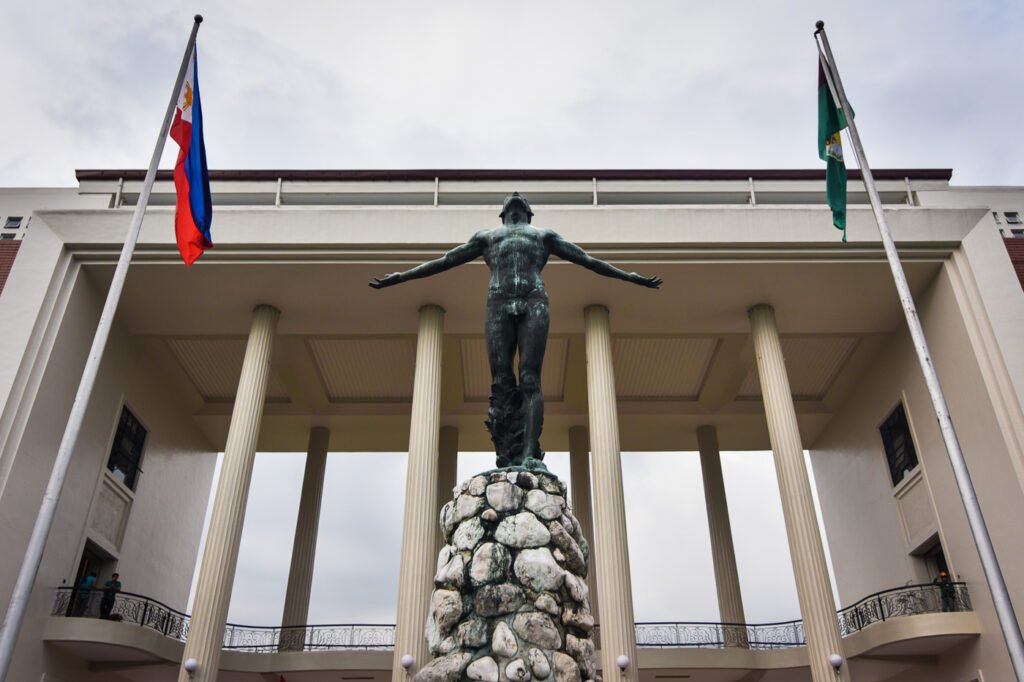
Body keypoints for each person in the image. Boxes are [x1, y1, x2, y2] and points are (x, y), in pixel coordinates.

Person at [371, 193, 661, 467]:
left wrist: (629, 277)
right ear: (502, 214)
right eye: (511, 198)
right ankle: (507, 452)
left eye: (521, 199)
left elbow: (587, 260)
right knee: (501, 380)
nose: (516, 193)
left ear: (530, 214)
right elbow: (446, 261)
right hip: (499, 302)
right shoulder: (487, 237)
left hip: (533, 300)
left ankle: (529, 452)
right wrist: (401, 276)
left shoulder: (544, 236)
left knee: (530, 377)